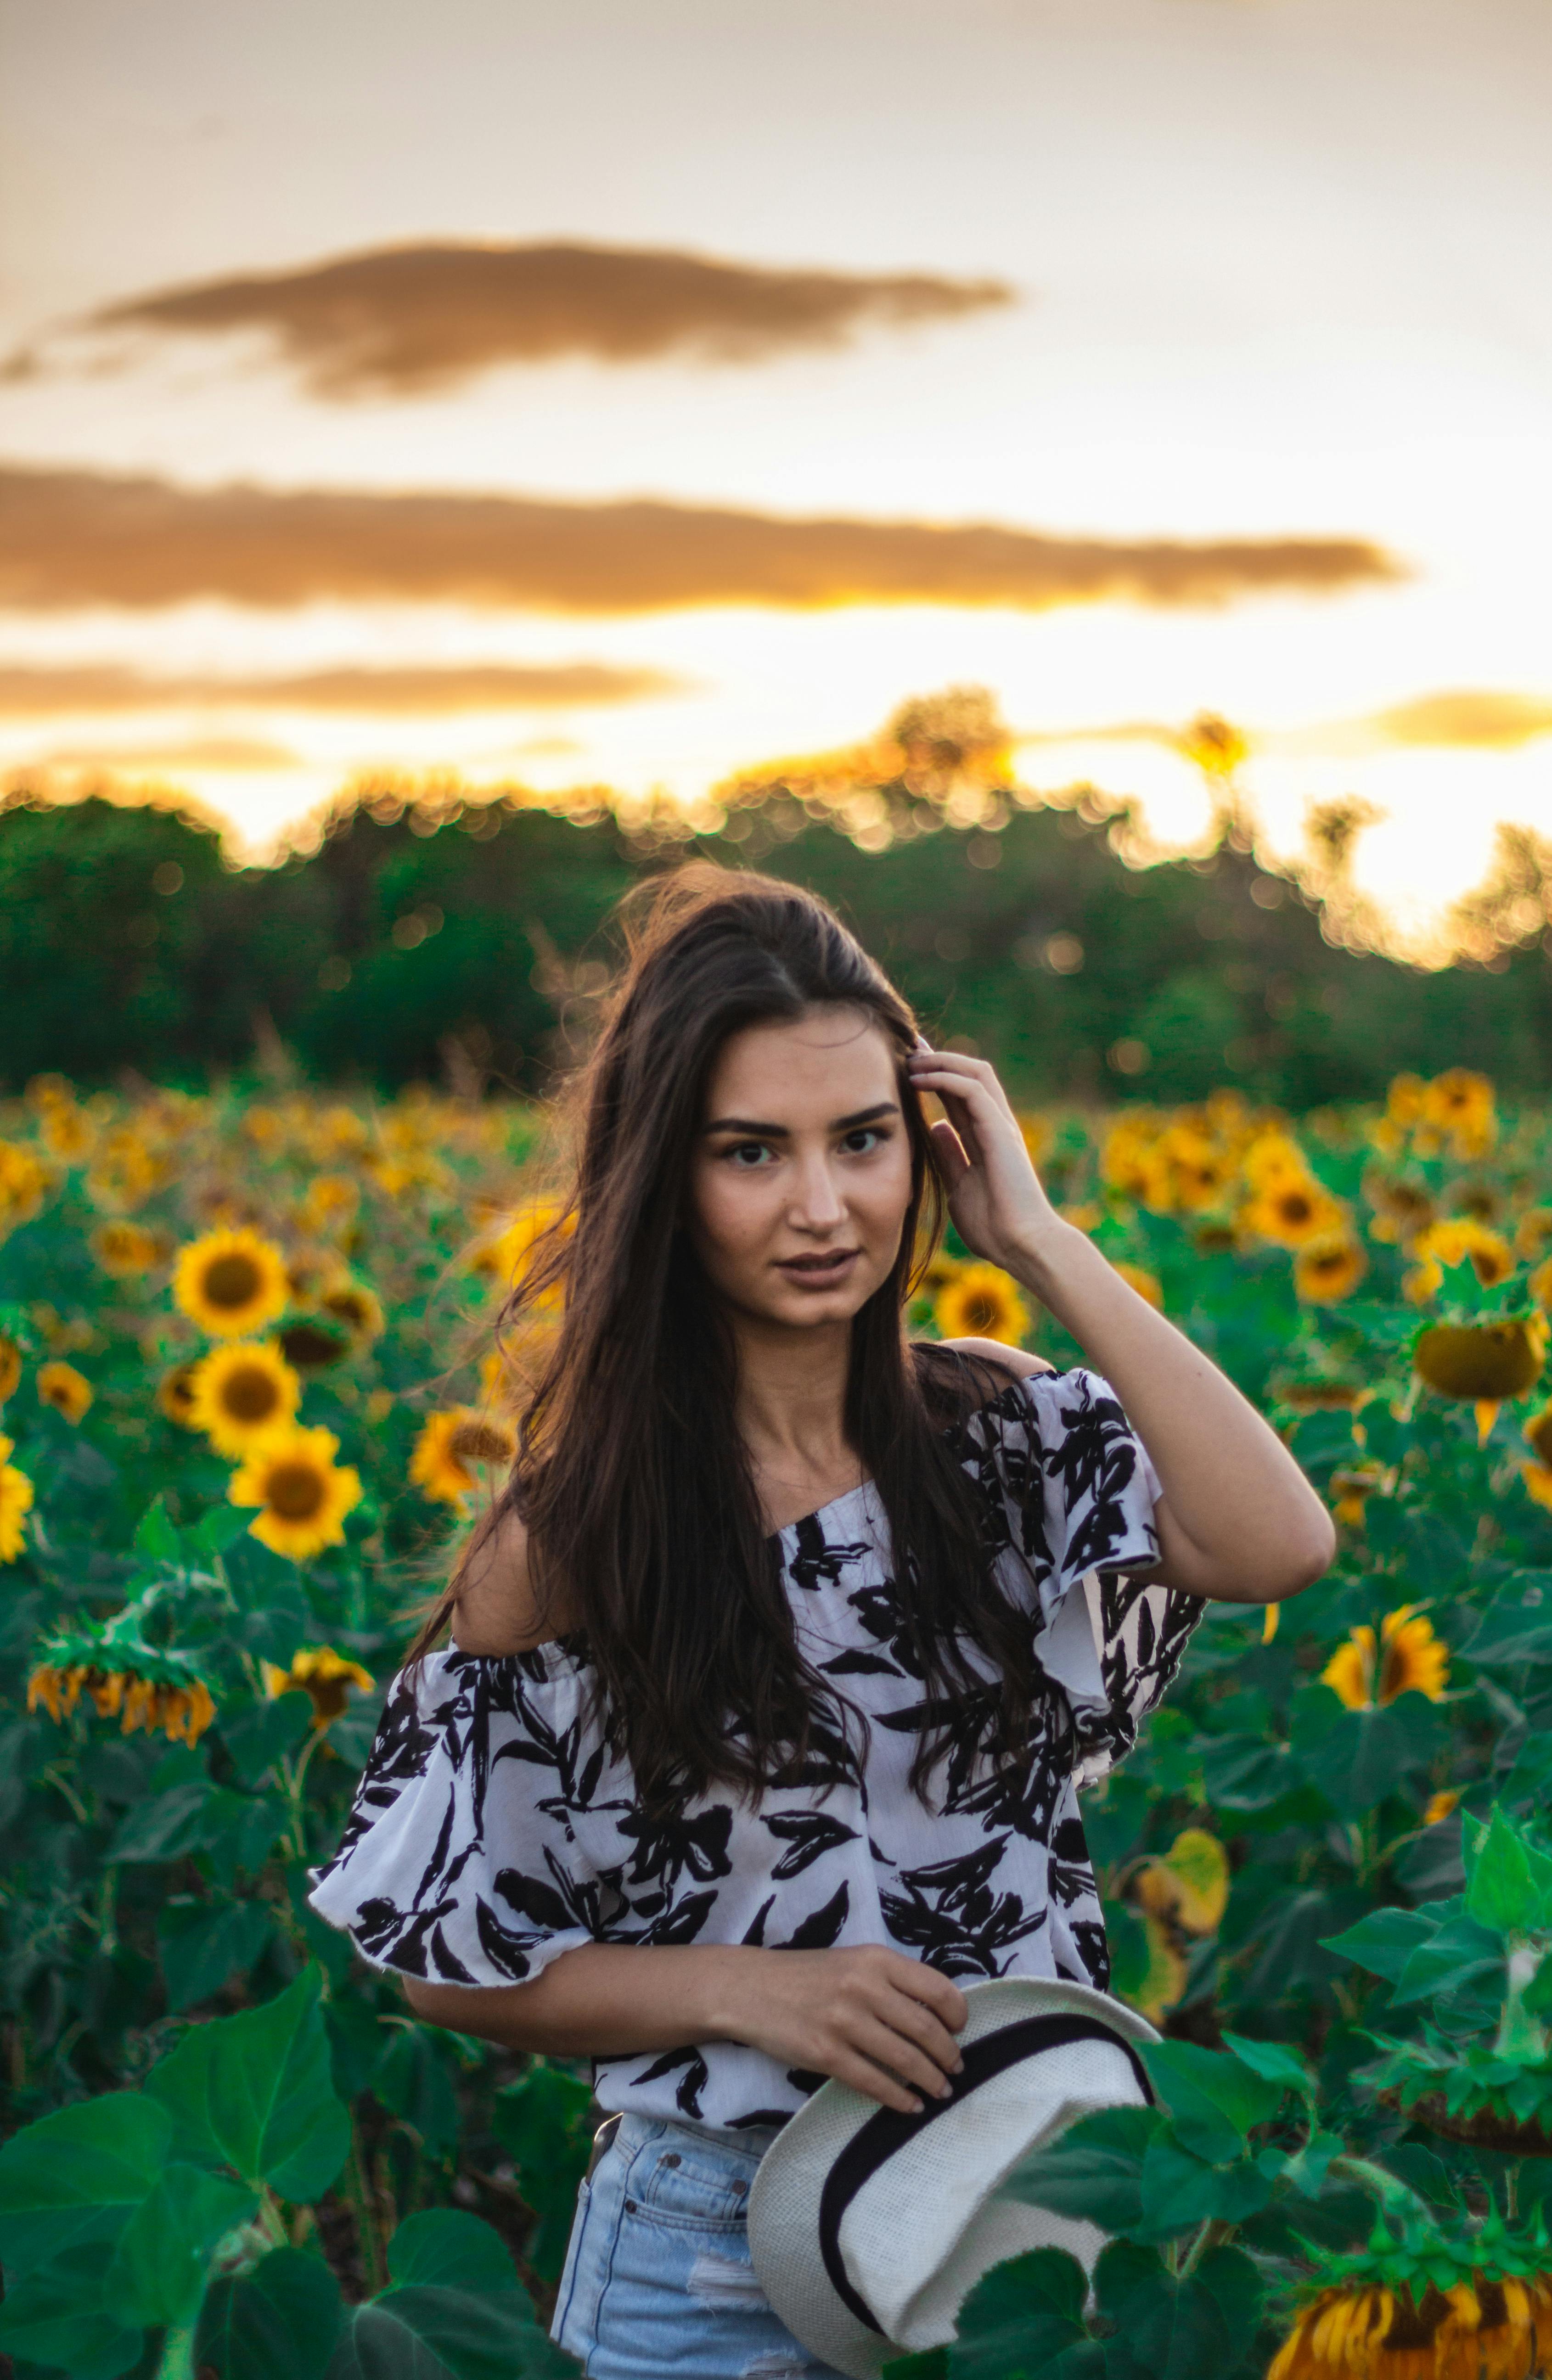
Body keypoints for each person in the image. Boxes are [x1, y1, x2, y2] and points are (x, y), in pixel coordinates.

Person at [308, 866, 1334, 2380]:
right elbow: (443, 1955)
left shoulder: (991, 1433)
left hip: (1025, 2197)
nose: (821, 1205)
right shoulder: (581, 1539)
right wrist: (756, 1987)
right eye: (750, 1152)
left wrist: (1042, 1243)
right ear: (667, 1176)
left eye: (862, 1141)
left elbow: (1279, 1539)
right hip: (713, 2244)